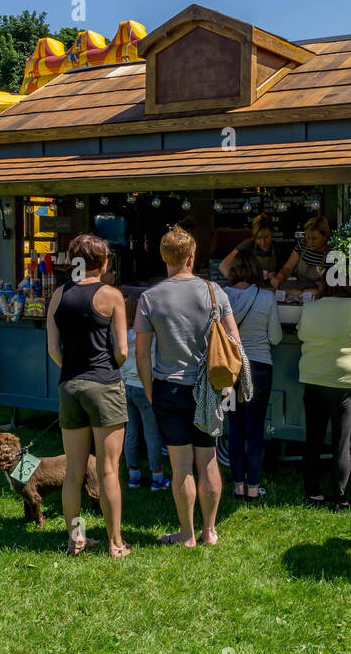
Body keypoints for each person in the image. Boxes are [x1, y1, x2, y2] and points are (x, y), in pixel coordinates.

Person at [134, 226, 242, 547]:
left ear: (164, 257)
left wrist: (150, 391)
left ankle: (186, 534)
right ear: (191, 258)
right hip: (208, 388)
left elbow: (142, 353)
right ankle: (210, 531)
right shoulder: (214, 292)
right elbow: (235, 342)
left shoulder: (149, 298)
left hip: (168, 387)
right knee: (207, 459)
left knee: (180, 465)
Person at [46, 233, 130, 558]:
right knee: (108, 469)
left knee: (74, 472)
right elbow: (122, 350)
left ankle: (76, 539)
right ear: (104, 262)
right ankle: (115, 543)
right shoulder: (111, 295)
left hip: (70, 386)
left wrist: (72, 368)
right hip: (104, 385)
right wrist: (107, 367)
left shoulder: (57, 296)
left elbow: (54, 349)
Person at [296, 273, 351, 510]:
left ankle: (313, 493)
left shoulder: (310, 307)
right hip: (343, 383)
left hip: (313, 379)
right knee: (341, 443)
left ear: (324, 284)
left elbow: (300, 333)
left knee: (313, 439)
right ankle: (340, 498)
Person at [224, 248, 282, 501]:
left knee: (234, 428)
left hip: (229, 369)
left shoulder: (222, 297)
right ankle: (254, 488)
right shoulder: (266, 297)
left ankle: (238, 486)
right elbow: (276, 337)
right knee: (255, 429)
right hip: (258, 367)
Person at [121, 293, 168, 492]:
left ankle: (133, 476)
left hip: (125, 387)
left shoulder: (121, 334)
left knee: (130, 433)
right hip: (145, 386)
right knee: (151, 433)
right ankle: (157, 477)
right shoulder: (150, 335)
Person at [270, 215, 330, 290]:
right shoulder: (302, 244)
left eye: (314, 238)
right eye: (308, 237)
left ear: (324, 237)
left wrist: (323, 288)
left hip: (321, 295)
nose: (310, 242)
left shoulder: (331, 252)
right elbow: (288, 268)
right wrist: (279, 277)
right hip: (300, 291)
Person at [219, 214, 280, 283]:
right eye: (258, 238)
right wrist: (238, 282)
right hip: (251, 289)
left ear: (272, 233)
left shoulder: (277, 248)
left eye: (266, 237)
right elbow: (223, 266)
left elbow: (285, 271)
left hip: (270, 289)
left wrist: (277, 276)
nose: (263, 242)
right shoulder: (248, 245)